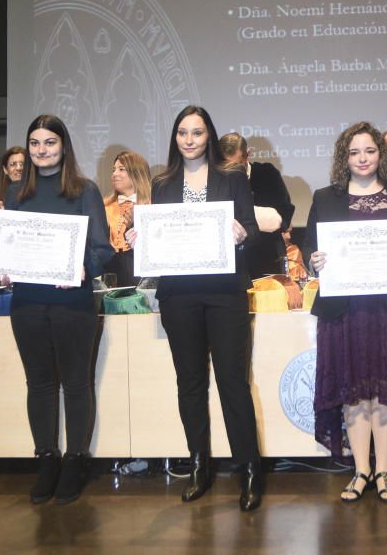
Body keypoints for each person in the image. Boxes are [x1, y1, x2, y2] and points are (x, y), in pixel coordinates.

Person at [128, 106, 264, 511]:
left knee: (233, 383)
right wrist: (142, 238)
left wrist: (242, 236)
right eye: (183, 133)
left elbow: (253, 231)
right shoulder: (163, 182)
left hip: (224, 294)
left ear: (209, 136)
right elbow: (161, 236)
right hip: (179, 296)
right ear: (175, 138)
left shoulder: (232, 178)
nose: (189, 140)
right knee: (189, 384)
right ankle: (199, 465)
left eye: (198, 132)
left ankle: (250, 469)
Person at [306, 122, 387, 503]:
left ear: (382, 154)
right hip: (345, 310)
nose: (363, 159)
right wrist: (315, 260)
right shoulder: (325, 197)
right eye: (354, 153)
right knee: (354, 391)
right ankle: (360, 470)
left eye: (369, 151)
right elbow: (313, 252)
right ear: (344, 158)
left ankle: (383, 470)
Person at [0, 115, 113, 505]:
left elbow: (103, 249)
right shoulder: (15, 194)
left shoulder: (84, 190)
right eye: (34, 143)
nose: (41, 150)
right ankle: (46, 458)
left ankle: (75, 460)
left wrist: (84, 268)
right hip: (27, 303)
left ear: (64, 146)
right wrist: (1, 267)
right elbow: (6, 248)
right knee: (39, 384)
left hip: (73, 303)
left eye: (49, 142)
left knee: (77, 383)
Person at [220, 132, 296, 277]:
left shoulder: (267, 174)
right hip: (232, 261)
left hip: (267, 256)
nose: (231, 172)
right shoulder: (215, 180)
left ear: (247, 154)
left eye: (235, 165)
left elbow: (283, 215)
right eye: (224, 166)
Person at [103, 150, 151, 287]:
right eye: (114, 170)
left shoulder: (152, 205)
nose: (114, 174)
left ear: (137, 173)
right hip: (113, 274)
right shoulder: (105, 206)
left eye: (121, 169)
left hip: (142, 275)